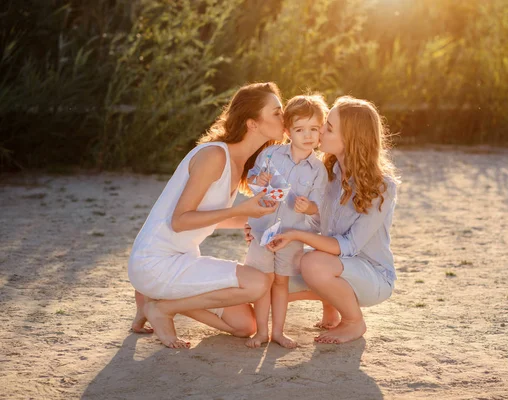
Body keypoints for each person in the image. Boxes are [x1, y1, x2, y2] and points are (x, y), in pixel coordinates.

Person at [128, 82, 285, 349]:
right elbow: (179, 221)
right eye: (277, 113)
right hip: (156, 262)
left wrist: (247, 220)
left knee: (244, 326)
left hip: (182, 259)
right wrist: (240, 210)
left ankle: (151, 301)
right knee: (258, 283)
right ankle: (162, 309)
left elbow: (210, 216)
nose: (285, 118)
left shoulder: (241, 163)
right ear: (252, 123)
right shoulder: (215, 156)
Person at [265, 96, 399, 344]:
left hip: (372, 276)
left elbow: (347, 247)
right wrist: (265, 229)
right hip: (333, 267)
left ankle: (353, 322)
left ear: (350, 138)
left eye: (329, 127)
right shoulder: (326, 173)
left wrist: (295, 236)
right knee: (269, 277)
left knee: (313, 263)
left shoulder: (382, 186)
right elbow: (314, 224)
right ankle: (330, 304)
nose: (320, 130)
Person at [244, 95, 329, 349]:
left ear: (321, 131)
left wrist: (309, 206)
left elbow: (319, 207)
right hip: (262, 230)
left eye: (314, 129)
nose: (308, 135)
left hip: (292, 234)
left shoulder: (318, 170)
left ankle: (278, 332)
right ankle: (260, 332)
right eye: (300, 129)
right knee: (262, 280)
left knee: (281, 282)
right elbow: (253, 181)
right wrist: (258, 182)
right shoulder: (271, 154)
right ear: (287, 130)